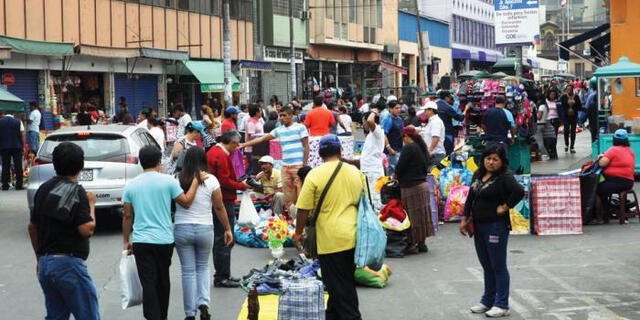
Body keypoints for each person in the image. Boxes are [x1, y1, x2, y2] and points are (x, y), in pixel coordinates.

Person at [122, 145, 203, 320]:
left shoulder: (131, 185)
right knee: (163, 280)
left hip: (141, 241)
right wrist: (196, 181)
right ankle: (162, 316)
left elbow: (127, 215)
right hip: (164, 240)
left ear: (140, 162)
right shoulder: (168, 181)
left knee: (148, 282)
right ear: (159, 162)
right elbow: (186, 202)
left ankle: (153, 317)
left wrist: (126, 241)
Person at [294, 134, 364, 320]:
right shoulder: (355, 172)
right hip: (353, 234)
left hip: (330, 238)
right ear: (340, 151)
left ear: (319, 153)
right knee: (341, 282)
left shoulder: (315, 174)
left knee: (340, 287)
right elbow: (363, 202)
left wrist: (298, 233)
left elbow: (303, 209)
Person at [28, 142, 100, 320]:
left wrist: (40, 259)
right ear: (81, 165)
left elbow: (33, 227)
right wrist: (91, 203)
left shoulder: (43, 189)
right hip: (68, 264)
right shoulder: (78, 192)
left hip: (46, 263)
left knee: (56, 316)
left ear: (55, 164)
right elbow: (86, 229)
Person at [460, 145, 524, 318]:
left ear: (502, 161)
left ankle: (502, 304)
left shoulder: (505, 177)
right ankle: (487, 300)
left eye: (495, 159)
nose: (491, 162)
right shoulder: (478, 174)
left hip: (496, 226)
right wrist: (464, 218)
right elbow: (470, 198)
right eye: (488, 158)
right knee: (486, 265)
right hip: (479, 225)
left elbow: (519, 191)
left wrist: (505, 206)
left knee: (498, 265)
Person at [175, 148, 233, 320]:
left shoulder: (176, 179)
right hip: (204, 228)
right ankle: (204, 303)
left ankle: (189, 313)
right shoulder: (211, 180)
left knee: (187, 272)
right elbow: (219, 207)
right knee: (203, 267)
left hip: (182, 228)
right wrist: (228, 228)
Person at [240, 106, 309, 214]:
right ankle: (291, 220)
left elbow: (306, 146)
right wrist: (244, 144)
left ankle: (299, 221)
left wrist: (304, 165)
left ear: (291, 116)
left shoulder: (300, 127)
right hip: (285, 166)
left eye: (284, 115)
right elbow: (262, 138)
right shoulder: (278, 130)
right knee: (288, 197)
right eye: (280, 116)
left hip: (298, 166)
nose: (281, 118)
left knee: (300, 194)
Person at [206, 130, 249, 288]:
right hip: (223, 200)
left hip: (221, 199)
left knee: (221, 238)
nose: (237, 147)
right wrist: (241, 185)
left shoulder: (214, 152)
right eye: (236, 144)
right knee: (225, 237)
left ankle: (223, 274)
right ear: (230, 142)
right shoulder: (221, 155)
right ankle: (222, 276)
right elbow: (224, 181)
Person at [395, 126, 434, 254]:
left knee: (411, 217)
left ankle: (411, 244)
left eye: (403, 138)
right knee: (422, 216)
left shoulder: (409, 148)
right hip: (422, 186)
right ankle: (422, 243)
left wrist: (394, 176)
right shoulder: (421, 148)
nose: (403, 141)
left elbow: (400, 167)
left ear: (407, 137)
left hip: (411, 187)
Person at [343, 110, 385, 213]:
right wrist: (346, 160)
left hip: (373, 173)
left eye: (363, 122)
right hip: (368, 172)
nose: (363, 125)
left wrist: (374, 112)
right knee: (369, 200)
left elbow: (371, 121)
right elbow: (364, 159)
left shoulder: (377, 131)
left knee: (375, 202)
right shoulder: (370, 135)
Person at [593, 129, 636, 224]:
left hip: (616, 182)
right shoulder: (630, 151)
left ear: (614, 139)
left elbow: (602, 163)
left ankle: (602, 215)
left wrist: (601, 157)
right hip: (629, 183)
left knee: (596, 189)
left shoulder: (613, 150)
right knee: (603, 186)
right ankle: (611, 212)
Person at [304, 95, 336, 167]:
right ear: (322, 103)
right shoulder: (328, 112)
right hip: (325, 138)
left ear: (314, 103)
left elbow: (306, 125)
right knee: (325, 156)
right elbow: (333, 124)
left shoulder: (310, 113)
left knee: (313, 158)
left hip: (313, 139)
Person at [437, 90, 469, 155]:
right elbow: (460, 118)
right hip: (447, 134)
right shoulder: (447, 107)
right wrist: (466, 109)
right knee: (448, 154)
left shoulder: (434, 105)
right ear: (446, 98)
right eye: (450, 97)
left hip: (437, 134)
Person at [0, 111, 24, 190]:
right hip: (17, 146)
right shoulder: (18, 121)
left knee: (5, 166)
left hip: (4, 147)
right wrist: (23, 146)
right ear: (13, 114)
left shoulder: (1, 122)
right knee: (18, 165)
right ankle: (19, 184)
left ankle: (5, 184)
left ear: (4, 114)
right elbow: (22, 134)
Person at [537, 90, 561, 160]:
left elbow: (539, 117)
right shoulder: (545, 105)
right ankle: (551, 153)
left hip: (541, 124)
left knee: (540, 141)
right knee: (549, 138)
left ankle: (545, 154)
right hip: (547, 122)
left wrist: (534, 114)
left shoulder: (541, 106)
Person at [421, 101, 446, 166]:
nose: (424, 112)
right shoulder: (432, 121)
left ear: (431, 110)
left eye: (425, 110)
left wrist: (429, 151)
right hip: (433, 155)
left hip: (435, 155)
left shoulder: (436, 122)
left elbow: (436, 137)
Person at [381, 100, 404, 176]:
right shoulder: (388, 119)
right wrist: (389, 148)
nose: (399, 110)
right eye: (396, 108)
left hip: (399, 148)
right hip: (391, 151)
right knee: (393, 171)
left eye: (399, 108)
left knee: (396, 170)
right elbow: (383, 134)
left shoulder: (400, 119)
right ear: (390, 109)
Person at [560, 84, 582, 153]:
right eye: (567, 89)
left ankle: (572, 146)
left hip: (574, 116)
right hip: (566, 116)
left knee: (573, 131)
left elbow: (580, 106)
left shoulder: (576, 97)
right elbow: (561, 106)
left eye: (570, 89)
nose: (569, 90)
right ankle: (566, 144)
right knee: (566, 130)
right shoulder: (563, 96)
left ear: (572, 89)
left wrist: (574, 108)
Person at [244, 104, 265, 175]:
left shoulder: (258, 120)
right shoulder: (251, 122)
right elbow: (251, 135)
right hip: (251, 149)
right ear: (256, 112)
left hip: (258, 148)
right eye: (260, 111)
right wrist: (262, 135)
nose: (261, 112)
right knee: (252, 167)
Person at [585, 78, 599, 143]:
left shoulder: (591, 95)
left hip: (592, 118)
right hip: (598, 117)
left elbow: (586, 107)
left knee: (593, 134)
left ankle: (594, 146)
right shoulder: (603, 94)